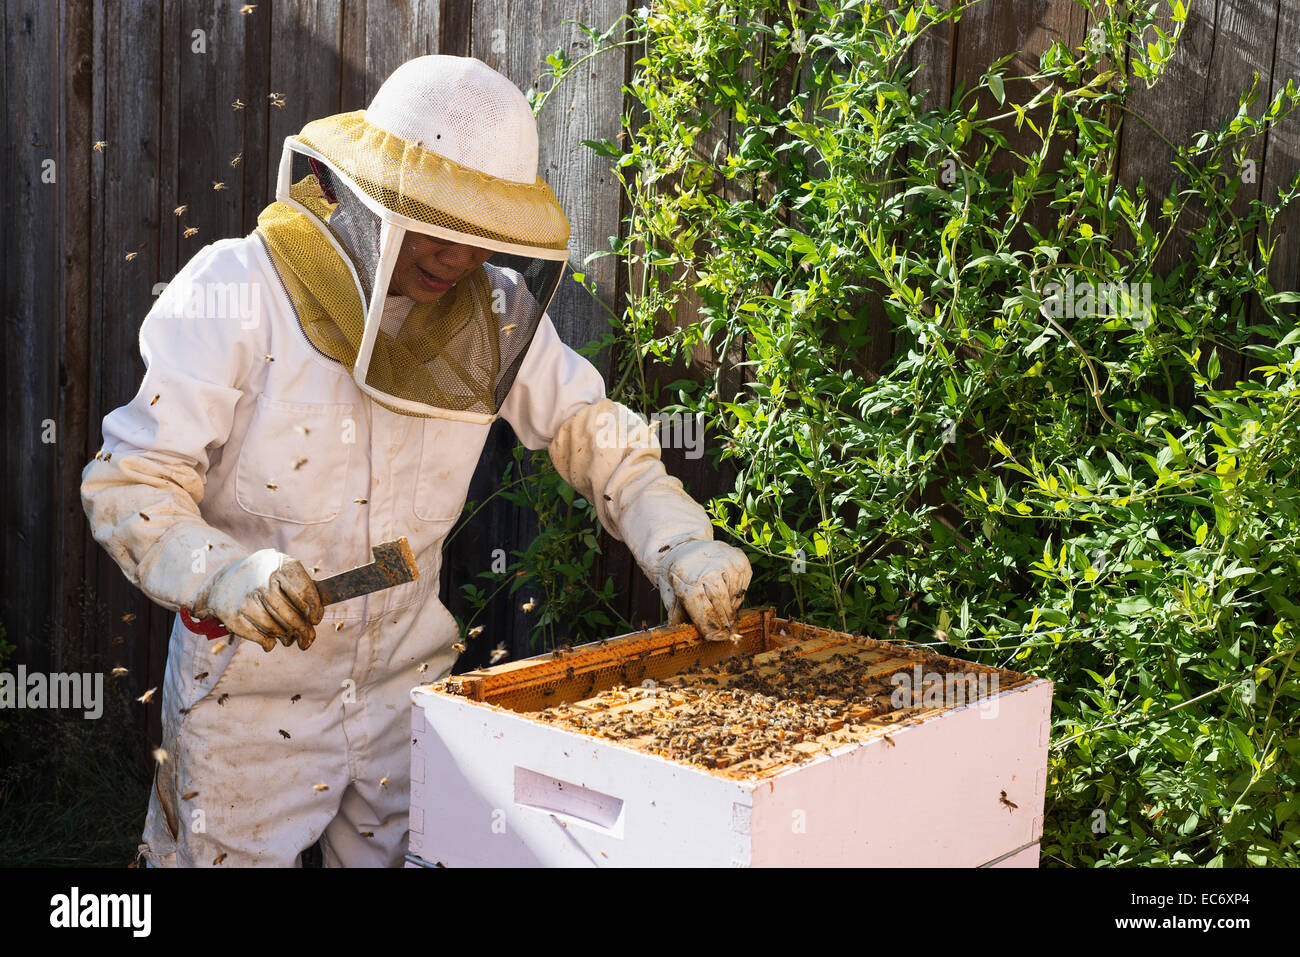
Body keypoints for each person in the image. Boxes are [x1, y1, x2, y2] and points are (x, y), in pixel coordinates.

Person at [81, 55, 751, 867]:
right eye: (435, 221)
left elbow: (589, 428)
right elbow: (132, 483)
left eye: (480, 232)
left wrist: (678, 537)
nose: (457, 256)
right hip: (247, 693)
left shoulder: (499, 313)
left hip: (407, 684)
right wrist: (222, 571)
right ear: (373, 197)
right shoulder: (238, 291)